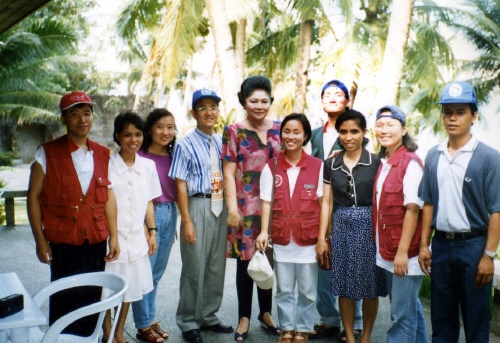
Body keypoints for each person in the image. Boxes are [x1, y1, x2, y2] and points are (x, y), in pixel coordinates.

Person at [27, 91, 120, 336]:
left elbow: (108, 197)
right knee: (63, 299)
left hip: (95, 241)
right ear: (64, 119)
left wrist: (115, 237)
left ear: (93, 117)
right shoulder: (46, 152)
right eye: (74, 114)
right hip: (63, 241)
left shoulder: (102, 153)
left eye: (87, 113)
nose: (82, 119)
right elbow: (34, 197)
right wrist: (40, 240)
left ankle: (89, 340)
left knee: (91, 298)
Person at [418, 81, 500, 342]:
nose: (452, 118)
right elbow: (428, 202)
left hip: (473, 246)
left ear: (474, 116)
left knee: (476, 319)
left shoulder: (489, 157)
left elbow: (496, 210)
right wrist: (423, 245)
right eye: (447, 111)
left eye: (460, 111)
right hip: (441, 245)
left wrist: (489, 255)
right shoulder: (434, 155)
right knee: (442, 319)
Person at [316, 109, 387, 343]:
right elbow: (326, 202)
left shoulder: (377, 163)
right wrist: (322, 238)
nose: (349, 137)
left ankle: (365, 336)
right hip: (341, 226)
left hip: (369, 226)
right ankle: (348, 335)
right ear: (338, 134)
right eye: (344, 132)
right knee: (344, 285)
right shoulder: (331, 164)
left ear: (364, 133)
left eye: (354, 131)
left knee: (370, 286)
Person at [169, 89, 234, 343]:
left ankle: (209, 315)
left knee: (216, 265)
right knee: (194, 265)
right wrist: (186, 220)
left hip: (220, 206)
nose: (209, 112)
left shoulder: (222, 141)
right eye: (203, 107)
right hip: (197, 206)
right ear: (194, 112)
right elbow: (181, 185)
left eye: (213, 107)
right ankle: (187, 321)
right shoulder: (185, 144)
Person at [222, 76, 282, 342]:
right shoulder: (233, 130)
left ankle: (266, 313)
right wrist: (232, 209)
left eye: (264, 101)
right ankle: (244, 316)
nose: (259, 106)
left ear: (271, 101)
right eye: (253, 101)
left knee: (267, 258)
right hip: (245, 207)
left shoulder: (281, 128)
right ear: (244, 102)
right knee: (245, 261)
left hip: (275, 205)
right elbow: (228, 171)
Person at [257, 113, 323, 343]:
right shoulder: (271, 166)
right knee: (284, 289)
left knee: (307, 290)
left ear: (305, 136)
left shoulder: (317, 166)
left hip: (308, 239)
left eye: (297, 132)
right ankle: (286, 328)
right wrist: (264, 231)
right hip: (282, 237)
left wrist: (323, 237)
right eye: (287, 131)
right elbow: (266, 201)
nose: (291, 136)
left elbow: (325, 205)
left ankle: (303, 329)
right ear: (281, 134)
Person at [309, 80, 363, 340]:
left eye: (338, 94)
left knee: (351, 263)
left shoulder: (354, 132)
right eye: (327, 94)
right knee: (323, 262)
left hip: (345, 206)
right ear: (321, 101)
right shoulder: (315, 134)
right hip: (318, 205)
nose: (332, 98)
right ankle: (328, 319)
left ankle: (354, 324)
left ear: (347, 101)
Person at [103, 111, 161, 343]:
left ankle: (119, 333)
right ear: (117, 136)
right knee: (107, 288)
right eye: (127, 135)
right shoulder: (107, 164)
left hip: (136, 237)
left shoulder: (148, 166)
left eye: (138, 134)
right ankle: (108, 333)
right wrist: (112, 235)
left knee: (129, 286)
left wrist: (152, 231)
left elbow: (148, 201)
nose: (133, 140)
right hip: (112, 237)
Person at [373, 105, 427, 342]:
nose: (384, 130)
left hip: (404, 253)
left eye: (391, 125)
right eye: (380, 125)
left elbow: (413, 210)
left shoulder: (410, 162)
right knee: (410, 310)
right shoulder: (385, 161)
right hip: (389, 249)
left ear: (404, 129)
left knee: (401, 318)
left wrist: (403, 252)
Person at [132, 108, 178, 342]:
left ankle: (149, 319)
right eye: (160, 127)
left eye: (170, 127)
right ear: (149, 129)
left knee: (156, 273)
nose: (165, 132)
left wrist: (175, 222)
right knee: (144, 273)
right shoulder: (139, 156)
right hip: (148, 216)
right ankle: (142, 325)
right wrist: (144, 225)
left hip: (170, 213)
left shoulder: (173, 156)